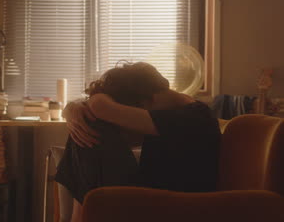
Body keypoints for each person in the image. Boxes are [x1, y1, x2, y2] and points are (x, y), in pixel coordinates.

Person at [55, 62, 221, 222]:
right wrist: (73, 109)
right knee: (86, 123)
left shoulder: (194, 118)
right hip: (150, 200)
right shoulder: (177, 110)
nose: (123, 132)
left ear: (145, 102)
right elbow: (94, 109)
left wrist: (86, 106)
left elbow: (100, 107)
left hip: (174, 207)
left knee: (90, 124)